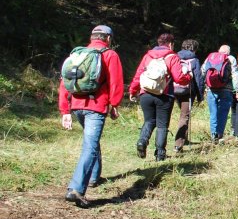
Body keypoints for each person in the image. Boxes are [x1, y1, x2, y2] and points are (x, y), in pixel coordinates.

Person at [59, 25, 124, 208]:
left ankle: (94, 177)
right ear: (108, 38)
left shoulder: (77, 54)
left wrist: (65, 110)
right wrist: (114, 104)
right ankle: (76, 189)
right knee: (90, 145)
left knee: (91, 142)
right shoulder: (110, 55)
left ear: (92, 37)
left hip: (77, 105)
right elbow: (116, 82)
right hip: (96, 106)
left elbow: (65, 82)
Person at [129, 33, 191, 161]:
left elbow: (138, 74)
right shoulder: (172, 57)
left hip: (146, 93)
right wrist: (188, 77)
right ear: (170, 44)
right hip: (165, 95)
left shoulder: (148, 56)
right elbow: (179, 78)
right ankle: (160, 154)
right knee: (162, 125)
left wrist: (133, 90)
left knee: (149, 121)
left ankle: (142, 141)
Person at [202, 45, 238, 142]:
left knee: (213, 113)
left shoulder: (211, 57)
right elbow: (235, 74)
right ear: (228, 52)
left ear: (219, 50)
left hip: (211, 89)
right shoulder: (231, 58)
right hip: (226, 90)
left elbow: (203, 71)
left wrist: (204, 86)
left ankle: (213, 135)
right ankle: (219, 134)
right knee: (223, 113)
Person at [173, 38, 204, 152]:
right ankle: (178, 144)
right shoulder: (194, 60)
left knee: (183, 114)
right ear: (194, 48)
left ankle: (184, 139)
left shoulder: (175, 57)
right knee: (184, 116)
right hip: (188, 91)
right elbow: (198, 79)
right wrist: (200, 96)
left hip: (174, 90)